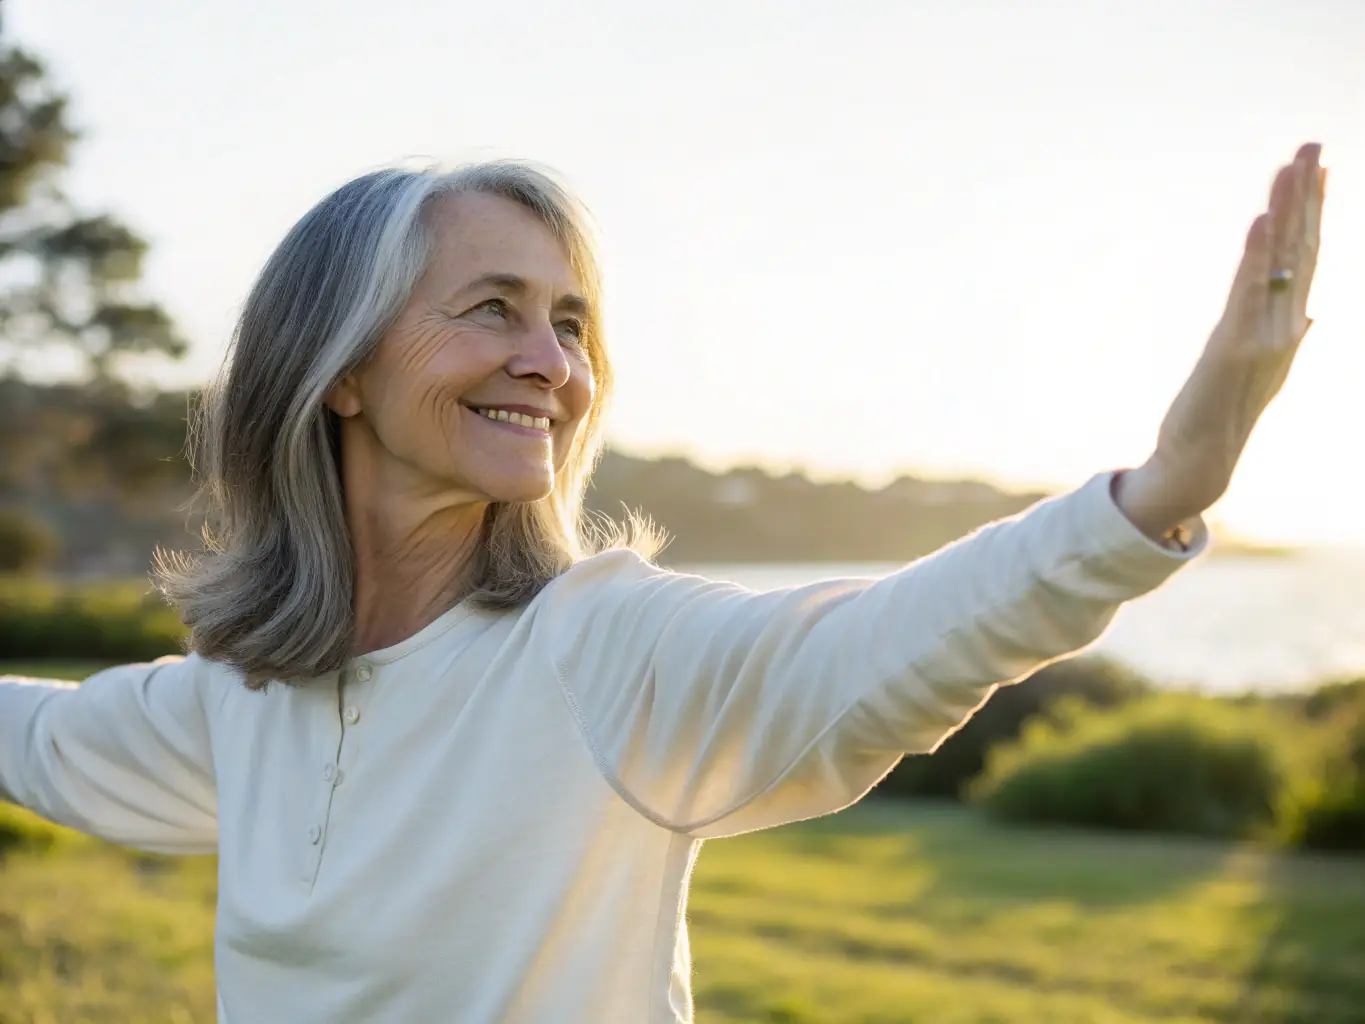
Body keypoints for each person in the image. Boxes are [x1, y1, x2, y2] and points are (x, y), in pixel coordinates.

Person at [0, 143, 1326, 1023]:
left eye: (569, 322)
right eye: (493, 308)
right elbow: (42, 737)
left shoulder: (601, 650)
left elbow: (884, 647)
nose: (553, 363)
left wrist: (1162, 488)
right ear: (338, 370)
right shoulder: (241, 698)